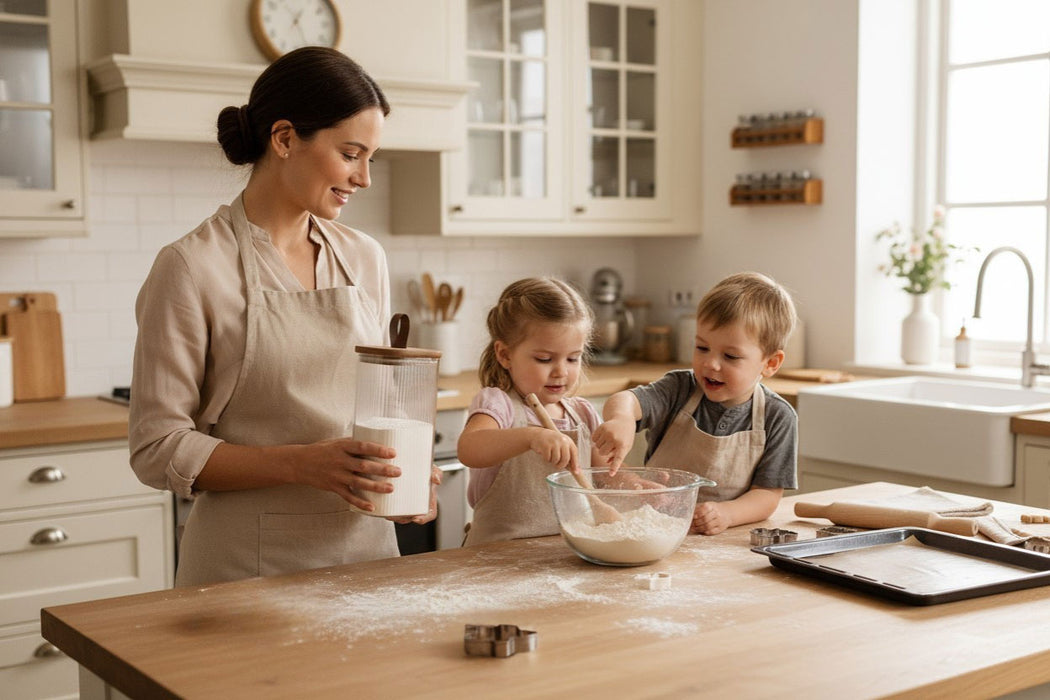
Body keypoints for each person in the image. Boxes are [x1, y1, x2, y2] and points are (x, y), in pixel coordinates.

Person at [129, 47, 437, 587]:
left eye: (371, 157)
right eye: (351, 154)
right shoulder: (192, 266)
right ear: (285, 138)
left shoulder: (364, 257)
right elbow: (157, 448)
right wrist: (301, 464)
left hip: (367, 562)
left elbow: (381, 408)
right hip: (244, 570)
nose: (364, 178)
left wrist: (406, 474)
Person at [593, 271, 798, 535]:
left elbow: (767, 495)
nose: (710, 363)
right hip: (656, 530)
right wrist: (622, 419)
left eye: (730, 356)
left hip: (724, 539)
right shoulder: (678, 389)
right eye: (702, 348)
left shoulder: (778, 417)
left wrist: (727, 514)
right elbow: (626, 400)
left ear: (770, 363)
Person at [457, 277, 602, 546]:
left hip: (565, 554)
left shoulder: (582, 413)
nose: (561, 371)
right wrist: (531, 436)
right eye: (544, 359)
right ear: (505, 355)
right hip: (494, 557)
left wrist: (634, 483)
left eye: (573, 358)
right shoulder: (499, 404)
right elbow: (469, 448)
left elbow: (606, 476)